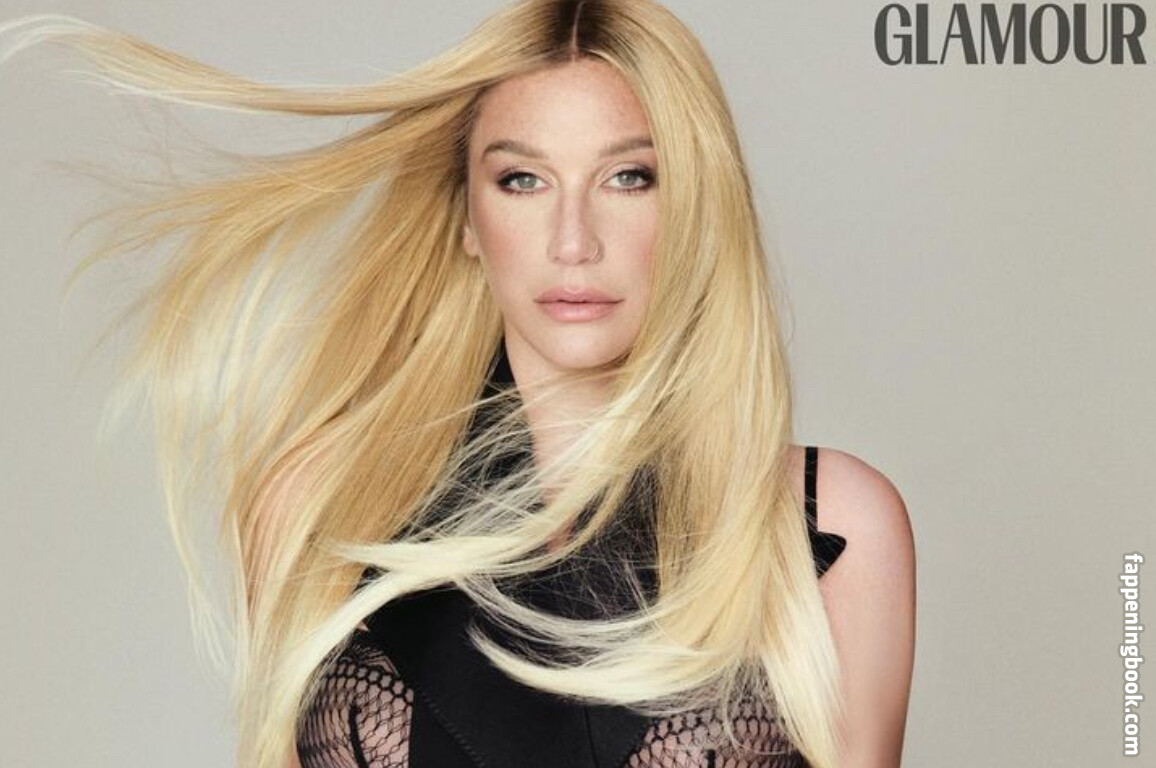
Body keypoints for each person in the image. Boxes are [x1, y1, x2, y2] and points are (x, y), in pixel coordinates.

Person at [0, 1, 916, 766]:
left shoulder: (825, 527)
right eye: (523, 180)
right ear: (469, 218)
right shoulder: (313, 504)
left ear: (698, 204)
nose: (573, 240)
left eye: (629, 177)